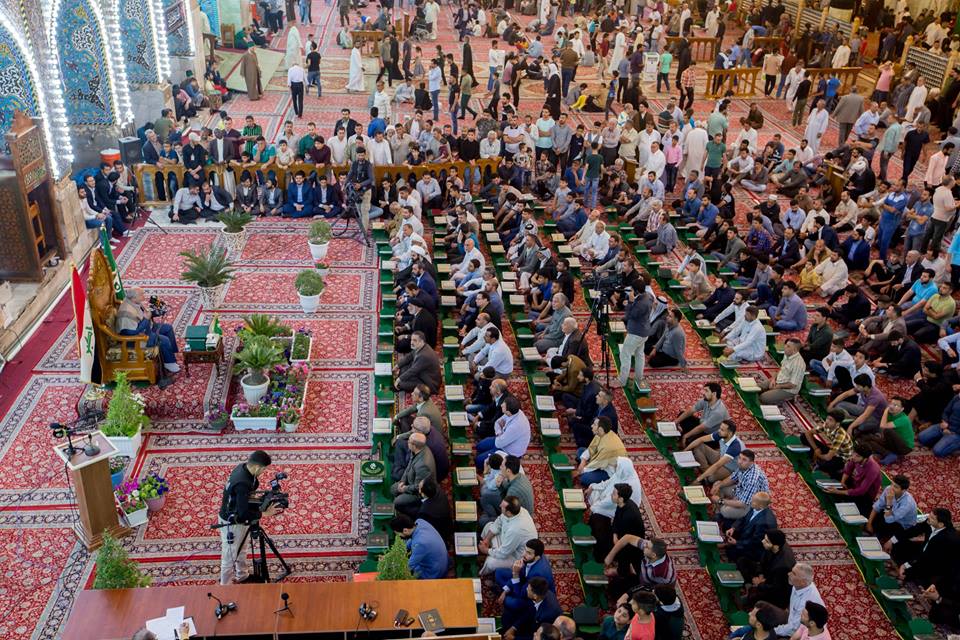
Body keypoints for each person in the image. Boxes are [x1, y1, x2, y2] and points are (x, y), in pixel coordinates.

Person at [217, 450, 283, 584]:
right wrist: (264, 513)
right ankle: (225, 587)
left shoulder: (242, 468)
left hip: (237, 517)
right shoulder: (243, 483)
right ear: (257, 467)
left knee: (242, 549)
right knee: (230, 556)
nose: (263, 472)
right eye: (264, 469)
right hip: (232, 523)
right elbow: (243, 515)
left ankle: (242, 575)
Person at [115, 287, 180, 377]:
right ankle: (169, 364)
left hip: (147, 328)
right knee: (164, 340)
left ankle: (170, 356)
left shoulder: (135, 303)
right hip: (135, 339)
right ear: (134, 297)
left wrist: (157, 313)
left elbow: (145, 314)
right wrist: (146, 319)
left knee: (168, 328)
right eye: (141, 294)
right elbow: (133, 332)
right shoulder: (126, 312)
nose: (144, 296)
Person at [479, 496, 538, 574]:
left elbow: (504, 553)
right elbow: (498, 522)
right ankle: (488, 546)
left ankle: (483, 573)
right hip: (508, 541)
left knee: (490, 562)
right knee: (488, 526)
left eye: (502, 506)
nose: (500, 505)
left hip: (516, 556)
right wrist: (487, 539)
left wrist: (486, 551)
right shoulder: (518, 510)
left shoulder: (516, 530)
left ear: (509, 513)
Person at [711, 449, 769, 522]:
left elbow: (743, 504)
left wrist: (720, 501)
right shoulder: (743, 466)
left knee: (725, 511)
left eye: (744, 460)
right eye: (740, 458)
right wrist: (718, 486)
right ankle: (719, 512)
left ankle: (724, 512)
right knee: (718, 484)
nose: (740, 461)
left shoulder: (752, 480)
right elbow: (732, 478)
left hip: (752, 502)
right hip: (742, 490)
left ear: (751, 463)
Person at [390, 513, 449, 579]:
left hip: (433, 573)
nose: (399, 536)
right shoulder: (420, 522)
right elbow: (411, 540)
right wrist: (398, 551)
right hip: (439, 562)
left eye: (398, 534)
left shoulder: (420, 544)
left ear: (405, 530)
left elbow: (408, 566)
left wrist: (391, 565)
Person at [390, 432, 436, 515]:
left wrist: (404, 489)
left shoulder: (423, 466)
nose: (407, 442)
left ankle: (415, 514)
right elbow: (409, 465)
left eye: (409, 441)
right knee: (393, 489)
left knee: (397, 502)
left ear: (414, 446)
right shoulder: (417, 450)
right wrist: (402, 481)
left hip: (419, 493)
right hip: (411, 480)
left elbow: (418, 487)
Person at [774, 564, 824, 638]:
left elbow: (793, 629)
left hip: (798, 633)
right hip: (791, 619)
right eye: (791, 571)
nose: (788, 574)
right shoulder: (799, 585)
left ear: (802, 582)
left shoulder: (805, 603)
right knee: (762, 606)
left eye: (793, 574)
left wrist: (773, 631)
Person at [685, 419, 742, 484]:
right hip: (720, 456)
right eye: (720, 428)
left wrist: (697, 480)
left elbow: (717, 465)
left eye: (722, 430)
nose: (719, 431)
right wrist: (684, 451)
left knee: (711, 478)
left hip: (729, 468)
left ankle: (704, 477)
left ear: (730, 433)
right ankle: (705, 472)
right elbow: (701, 439)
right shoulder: (721, 434)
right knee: (699, 446)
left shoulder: (735, 446)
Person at [866, 474, 918, 541]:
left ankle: (877, 536)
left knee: (886, 525)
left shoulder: (907, 503)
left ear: (903, 490)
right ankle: (872, 529)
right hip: (890, 513)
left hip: (902, 524)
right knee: (869, 509)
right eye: (891, 484)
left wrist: (889, 501)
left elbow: (888, 520)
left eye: (895, 487)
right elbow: (877, 506)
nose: (891, 488)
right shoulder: (888, 489)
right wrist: (869, 523)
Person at [758, 338, 805, 405]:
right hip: (778, 381)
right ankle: (771, 392)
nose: (785, 347)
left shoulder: (798, 364)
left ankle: (790, 397)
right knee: (757, 387)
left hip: (788, 389)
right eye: (786, 345)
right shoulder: (787, 355)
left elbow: (792, 385)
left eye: (788, 346)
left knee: (763, 398)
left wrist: (778, 386)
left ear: (794, 350)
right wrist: (773, 379)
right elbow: (781, 368)